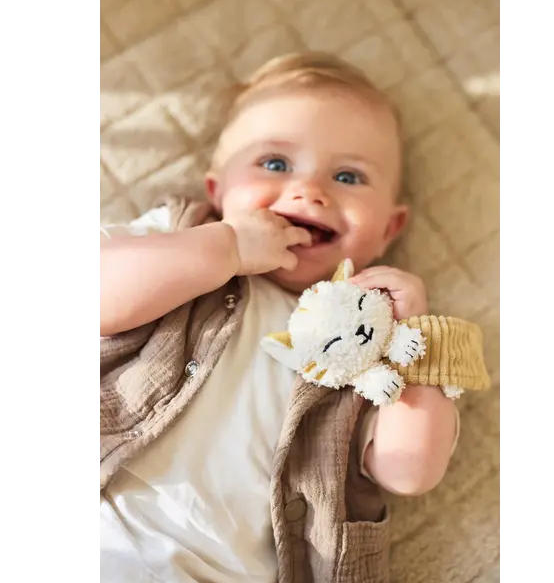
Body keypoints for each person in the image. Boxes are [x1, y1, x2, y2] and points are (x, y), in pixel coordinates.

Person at [97, 52, 489, 582]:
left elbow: (409, 472)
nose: (312, 192)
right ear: (217, 191)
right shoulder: (184, 234)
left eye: (348, 175)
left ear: (388, 229)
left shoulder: (377, 340)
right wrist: (226, 247)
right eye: (275, 164)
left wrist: (419, 337)